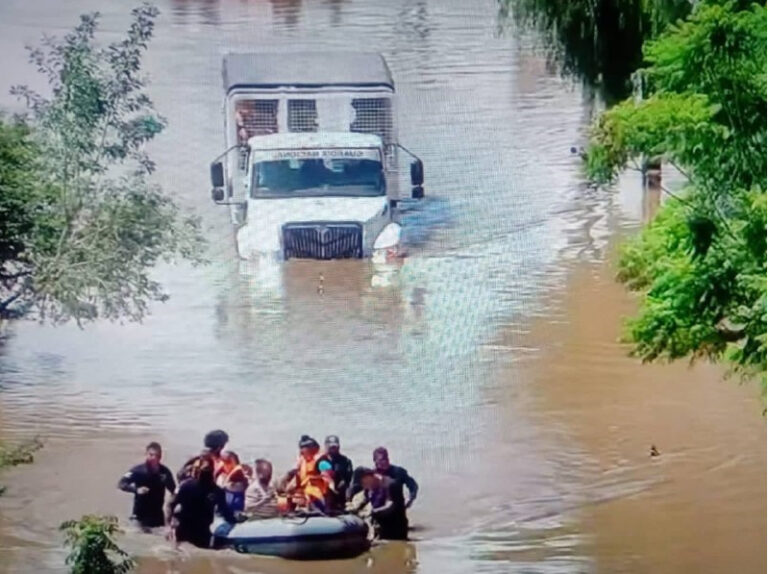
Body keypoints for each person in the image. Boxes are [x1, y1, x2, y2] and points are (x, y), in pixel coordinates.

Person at [166, 455, 237, 549]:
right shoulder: (188, 487)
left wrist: (169, 524)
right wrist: (236, 521)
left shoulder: (187, 486)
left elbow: (170, 505)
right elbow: (225, 513)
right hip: (189, 530)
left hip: (197, 531)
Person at [118, 442, 176, 530]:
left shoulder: (165, 473)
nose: (154, 458)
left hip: (157, 517)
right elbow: (121, 484)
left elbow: (174, 491)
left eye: (157, 455)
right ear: (146, 454)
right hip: (139, 516)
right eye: (151, 455)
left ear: (160, 456)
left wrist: (172, 513)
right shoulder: (138, 471)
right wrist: (136, 490)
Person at [346, 467, 406, 541]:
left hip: (396, 531)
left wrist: (373, 512)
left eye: (362, 483)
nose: (362, 486)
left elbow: (391, 505)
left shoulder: (391, 485)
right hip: (380, 529)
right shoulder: (369, 489)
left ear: (367, 477)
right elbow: (363, 501)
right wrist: (351, 510)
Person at [283, 435, 332, 513]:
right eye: (301, 450)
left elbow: (329, 480)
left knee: (312, 495)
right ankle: (290, 513)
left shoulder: (321, 461)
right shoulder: (302, 461)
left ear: (312, 449)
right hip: (304, 493)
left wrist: (326, 479)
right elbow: (297, 478)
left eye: (303, 450)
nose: (301, 452)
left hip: (318, 496)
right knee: (289, 494)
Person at [324, 435, 353, 513]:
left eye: (335, 447)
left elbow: (349, 479)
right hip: (324, 491)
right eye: (331, 447)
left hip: (339, 492)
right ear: (326, 446)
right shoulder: (320, 460)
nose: (333, 449)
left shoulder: (345, 461)